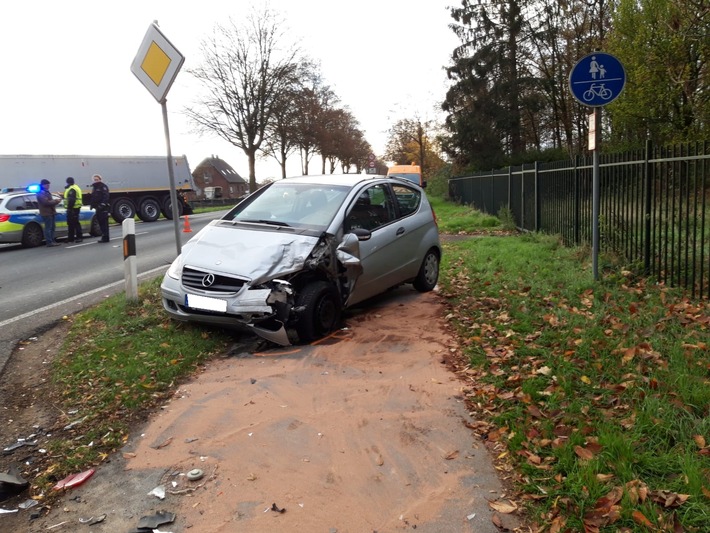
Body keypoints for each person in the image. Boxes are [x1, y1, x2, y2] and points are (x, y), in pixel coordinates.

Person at [36, 179, 62, 247]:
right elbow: (46, 203)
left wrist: (54, 201)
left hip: (51, 212)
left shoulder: (46, 192)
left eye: (48, 185)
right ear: (43, 185)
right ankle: (49, 242)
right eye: (47, 185)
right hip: (46, 213)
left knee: (52, 227)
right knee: (48, 228)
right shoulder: (40, 193)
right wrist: (56, 201)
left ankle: (52, 240)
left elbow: (49, 201)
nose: (48, 186)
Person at [90, 174, 111, 243]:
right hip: (97, 208)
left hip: (103, 208)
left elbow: (106, 197)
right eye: (95, 179)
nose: (96, 181)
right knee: (100, 223)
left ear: (100, 179)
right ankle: (104, 236)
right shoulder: (94, 187)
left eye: (97, 179)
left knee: (104, 223)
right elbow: (94, 197)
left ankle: (106, 237)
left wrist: (102, 205)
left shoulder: (103, 187)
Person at [63, 177, 83, 243]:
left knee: (75, 223)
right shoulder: (74, 187)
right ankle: (71, 238)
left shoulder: (72, 189)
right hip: (74, 208)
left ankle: (78, 237)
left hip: (73, 208)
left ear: (67, 182)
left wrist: (69, 208)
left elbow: (71, 200)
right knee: (71, 223)